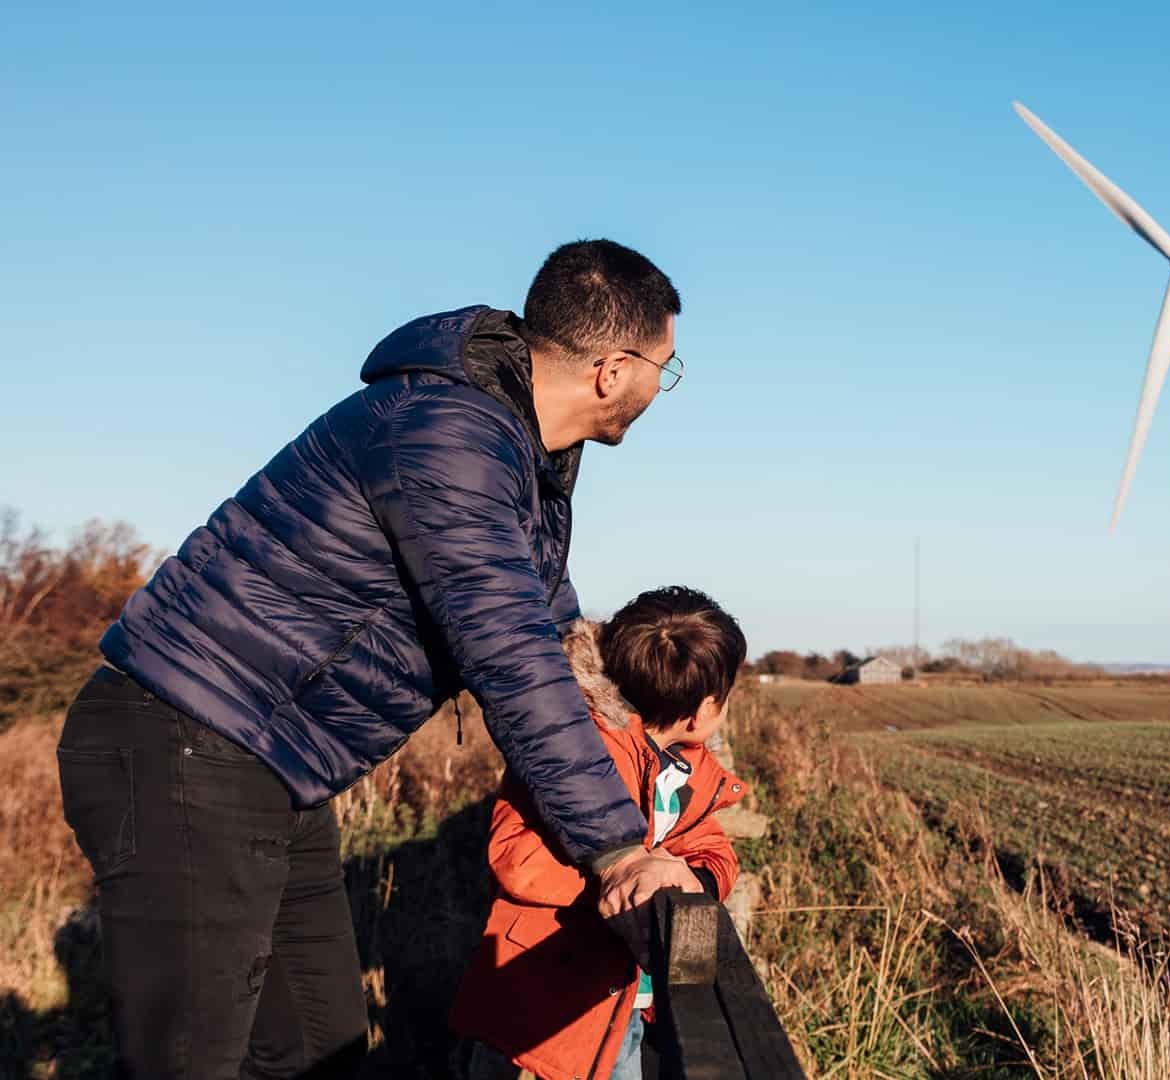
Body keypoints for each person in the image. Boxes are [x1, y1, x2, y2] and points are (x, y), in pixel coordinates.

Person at [55, 240, 699, 1078]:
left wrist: (650, 768)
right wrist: (617, 850)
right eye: (665, 368)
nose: (662, 388)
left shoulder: (516, 459)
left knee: (316, 1048)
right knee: (191, 1060)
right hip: (189, 739)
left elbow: (557, 641)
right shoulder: (451, 440)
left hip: (271, 765)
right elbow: (509, 658)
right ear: (615, 369)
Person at [451, 587, 749, 1080]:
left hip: (624, 1001)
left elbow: (712, 849)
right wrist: (627, 883)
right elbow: (518, 860)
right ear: (701, 712)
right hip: (547, 998)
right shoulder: (578, 755)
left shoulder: (688, 769)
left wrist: (691, 881)